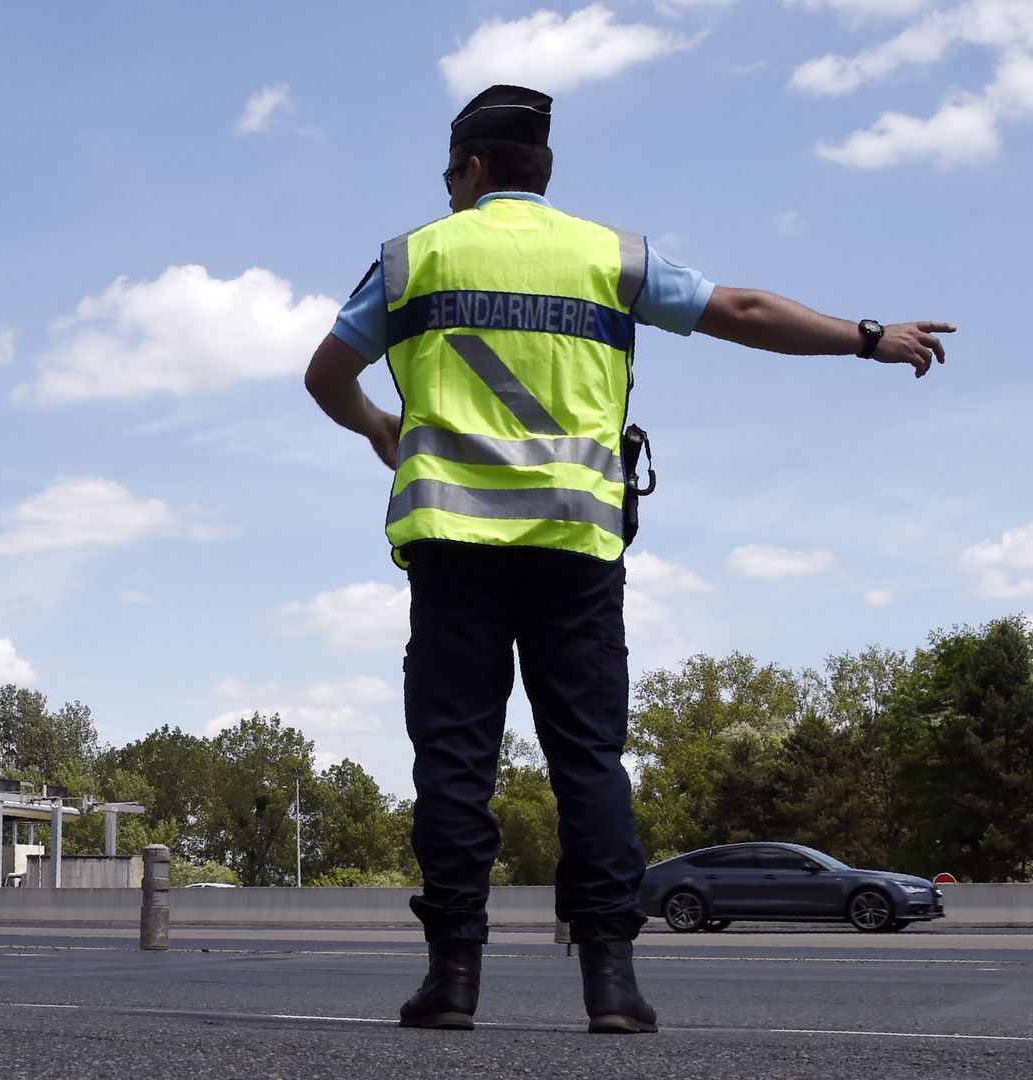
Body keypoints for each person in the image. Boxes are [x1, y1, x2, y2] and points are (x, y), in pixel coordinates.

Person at [303, 86, 952, 1034]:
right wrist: (867, 339)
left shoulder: (413, 258)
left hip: (453, 550)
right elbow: (746, 307)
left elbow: (326, 374)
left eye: (451, 174)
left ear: (474, 168)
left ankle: (452, 983)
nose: (447, 190)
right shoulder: (611, 255)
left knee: (453, 765)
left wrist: (380, 430)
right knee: (590, 765)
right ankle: (612, 986)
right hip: (577, 548)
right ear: (540, 169)